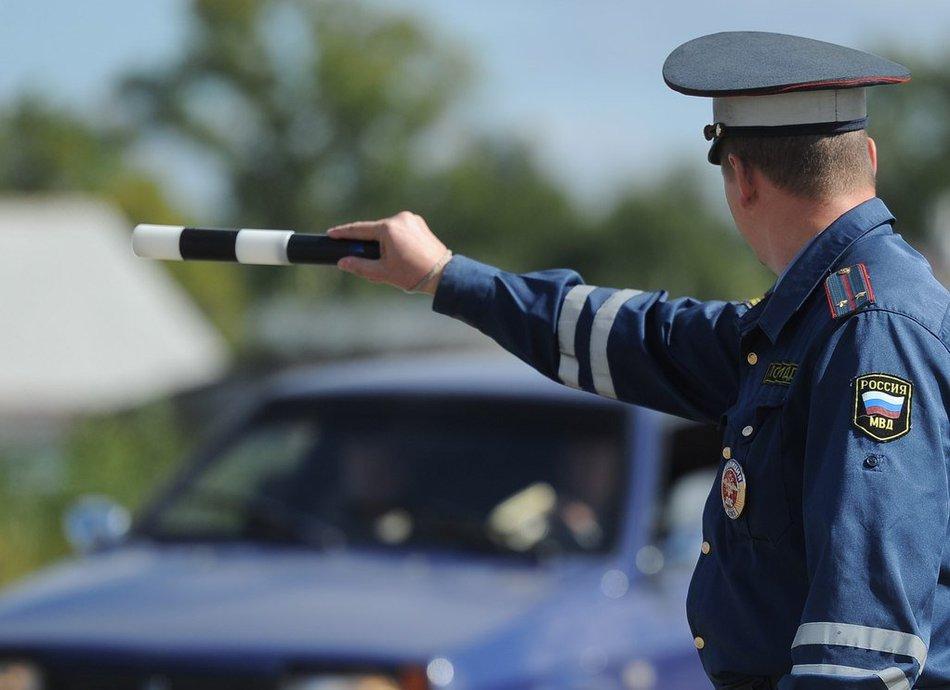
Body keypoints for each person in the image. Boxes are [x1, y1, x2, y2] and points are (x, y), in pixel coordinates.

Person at [328, 31, 950, 690]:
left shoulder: (867, 329)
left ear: (739, 179)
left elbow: (860, 650)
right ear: (869, 158)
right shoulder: (821, 317)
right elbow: (645, 338)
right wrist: (447, 276)